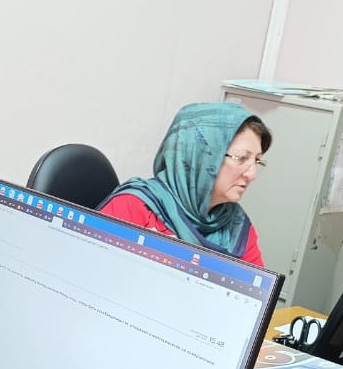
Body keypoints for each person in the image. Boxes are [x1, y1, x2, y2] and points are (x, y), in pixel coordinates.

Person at [98, 102, 271, 265]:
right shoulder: (133, 207)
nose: (252, 174)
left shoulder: (236, 226)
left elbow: (255, 286)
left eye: (257, 161)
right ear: (199, 156)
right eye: (241, 158)